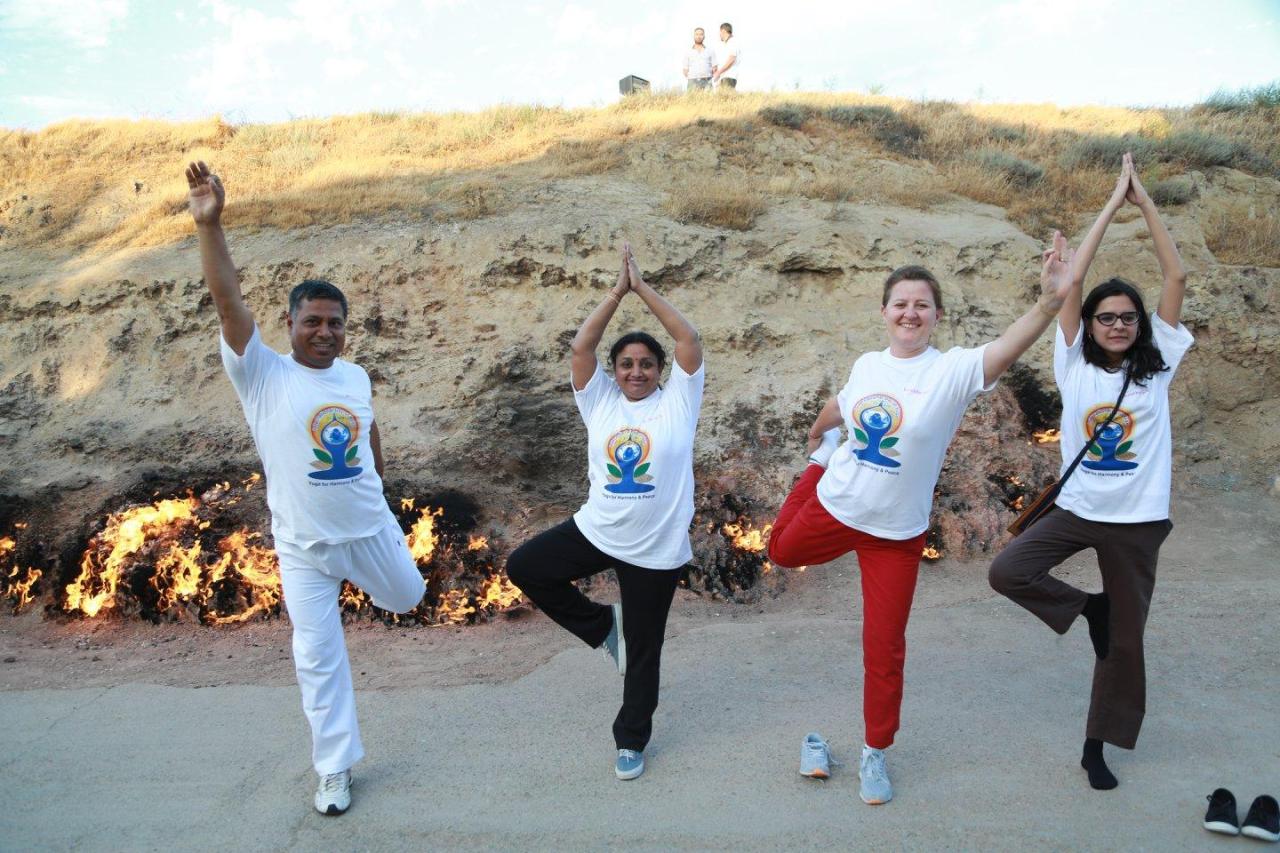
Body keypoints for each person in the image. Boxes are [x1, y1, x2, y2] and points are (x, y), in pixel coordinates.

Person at [767, 241, 1077, 805]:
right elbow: (844, 404)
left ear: (937, 316)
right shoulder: (867, 364)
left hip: (895, 534)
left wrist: (1049, 304)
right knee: (782, 552)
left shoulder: (952, 371)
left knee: (883, 647)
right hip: (836, 505)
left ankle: (873, 752)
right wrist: (820, 438)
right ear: (884, 312)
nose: (910, 313)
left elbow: (1006, 349)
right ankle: (815, 471)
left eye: (922, 305)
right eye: (900, 304)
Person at [184, 161, 426, 816]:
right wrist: (211, 224)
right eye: (312, 321)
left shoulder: (355, 377)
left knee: (409, 596)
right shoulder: (262, 375)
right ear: (289, 325)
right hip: (306, 552)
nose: (324, 331)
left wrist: (382, 485)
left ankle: (376, 576)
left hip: (370, 531)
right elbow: (228, 300)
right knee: (318, 660)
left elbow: (369, 434)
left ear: (346, 330)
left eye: (334, 323)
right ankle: (334, 768)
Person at [988, 153, 1192, 791]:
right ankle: (1087, 609)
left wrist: (1146, 204)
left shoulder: (1157, 366)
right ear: (1092, 323)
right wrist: (1111, 201)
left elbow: (1176, 274)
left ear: (1140, 326)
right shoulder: (1073, 364)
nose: (1117, 325)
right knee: (1008, 570)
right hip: (1077, 509)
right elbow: (1071, 283)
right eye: (1107, 316)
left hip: (1136, 523)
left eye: (1128, 318)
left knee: (1124, 646)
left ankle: (1096, 745)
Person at [506, 243, 703, 782]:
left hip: (657, 549)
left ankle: (631, 740)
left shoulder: (679, 402)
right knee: (525, 568)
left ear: (661, 370)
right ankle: (601, 627)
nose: (635, 371)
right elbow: (580, 348)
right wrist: (616, 293)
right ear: (614, 372)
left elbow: (690, 339)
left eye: (645, 364)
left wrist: (643, 289)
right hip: (597, 529)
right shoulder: (600, 402)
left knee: (644, 652)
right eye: (626, 364)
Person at [682, 27, 716, 92]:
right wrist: (693, 76)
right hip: (692, 81)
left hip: (707, 81)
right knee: (692, 101)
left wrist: (707, 75)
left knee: (709, 101)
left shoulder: (710, 51)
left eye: (701, 34)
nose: (699, 36)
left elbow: (715, 67)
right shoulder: (688, 51)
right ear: (694, 36)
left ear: (704, 36)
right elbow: (685, 70)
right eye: (697, 34)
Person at [712, 22, 739, 90]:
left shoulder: (733, 42)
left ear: (723, 31)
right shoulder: (727, 44)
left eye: (720, 32)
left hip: (729, 77)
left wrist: (718, 72)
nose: (719, 35)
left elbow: (731, 59)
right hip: (724, 77)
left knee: (727, 99)